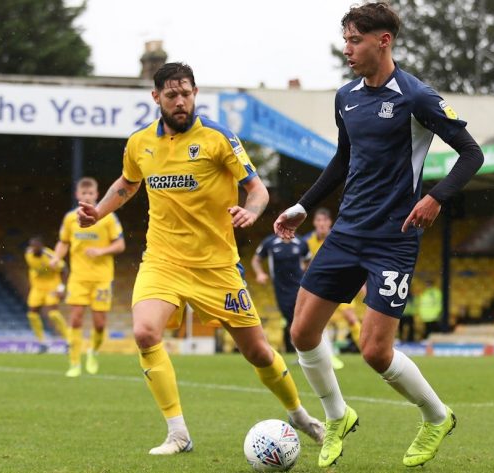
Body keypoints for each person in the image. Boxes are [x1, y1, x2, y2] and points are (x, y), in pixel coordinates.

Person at [273, 3, 484, 467]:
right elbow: (343, 160)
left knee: (373, 351)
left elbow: (471, 154)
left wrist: (435, 198)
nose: (347, 49)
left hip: (393, 238)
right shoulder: (345, 96)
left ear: (382, 41)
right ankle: (337, 415)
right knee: (302, 332)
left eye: (354, 41)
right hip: (347, 230)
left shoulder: (417, 97)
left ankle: (435, 416)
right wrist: (304, 205)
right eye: (346, 40)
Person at [75, 62, 323, 455]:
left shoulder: (217, 138)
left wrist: (252, 211)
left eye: (186, 93)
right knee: (145, 333)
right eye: (171, 94)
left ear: (195, 93)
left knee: (257, 352)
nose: (180, 101)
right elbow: (128, 182)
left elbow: (256, 189)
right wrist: (100, 211)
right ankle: (178, 433)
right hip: (162, 261)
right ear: (156, 97)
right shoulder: (140, 143)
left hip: (217, 267)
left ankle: (298, 414)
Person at [52, 177, 125, 377]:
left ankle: (93, 351)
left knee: (100, 323)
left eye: (90, 193)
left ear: (97, 194)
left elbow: (120, 244)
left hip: (101, 278)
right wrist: (56, 257)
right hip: (78, 278)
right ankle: (74, 363)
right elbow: (63, 242)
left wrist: (101, 252)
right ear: (77, 195)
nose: (87, 196)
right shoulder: (70, 218)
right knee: (75, 319)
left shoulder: (108, 218)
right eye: (83, 193)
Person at [305, 208, 362, 366]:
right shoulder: (307, 241)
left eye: (324, 220)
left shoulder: (339, 237)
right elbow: (304, 263)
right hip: (319, 287)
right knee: (316, 322)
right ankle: (318, 355)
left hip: (341, 284)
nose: (321, 224)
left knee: (351, 318)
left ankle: (366, 350)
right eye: (318, 220)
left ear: (330, 222)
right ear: (314, 223)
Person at [251, 233, 310, 352]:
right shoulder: (270, 242)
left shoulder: (301, 242)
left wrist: (306, 273)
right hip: (280, 288)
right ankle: (300, 350)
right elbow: (256, 260)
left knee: (299, 319)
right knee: (290, 319)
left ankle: (302, 351)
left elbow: (308, 259)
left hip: (299, 287)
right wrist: (260, 274)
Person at [24, 236, 69, 351]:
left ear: (41, 247)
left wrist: (61, 288)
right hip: (37, 288)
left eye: (36, 247)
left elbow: (64, 270)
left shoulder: (50, 256)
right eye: (32, 246)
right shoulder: (28, 254)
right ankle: (42, 342)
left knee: (53, 313)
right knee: (32, 314)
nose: (34, 249)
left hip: (52, 287)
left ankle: (69, 340)